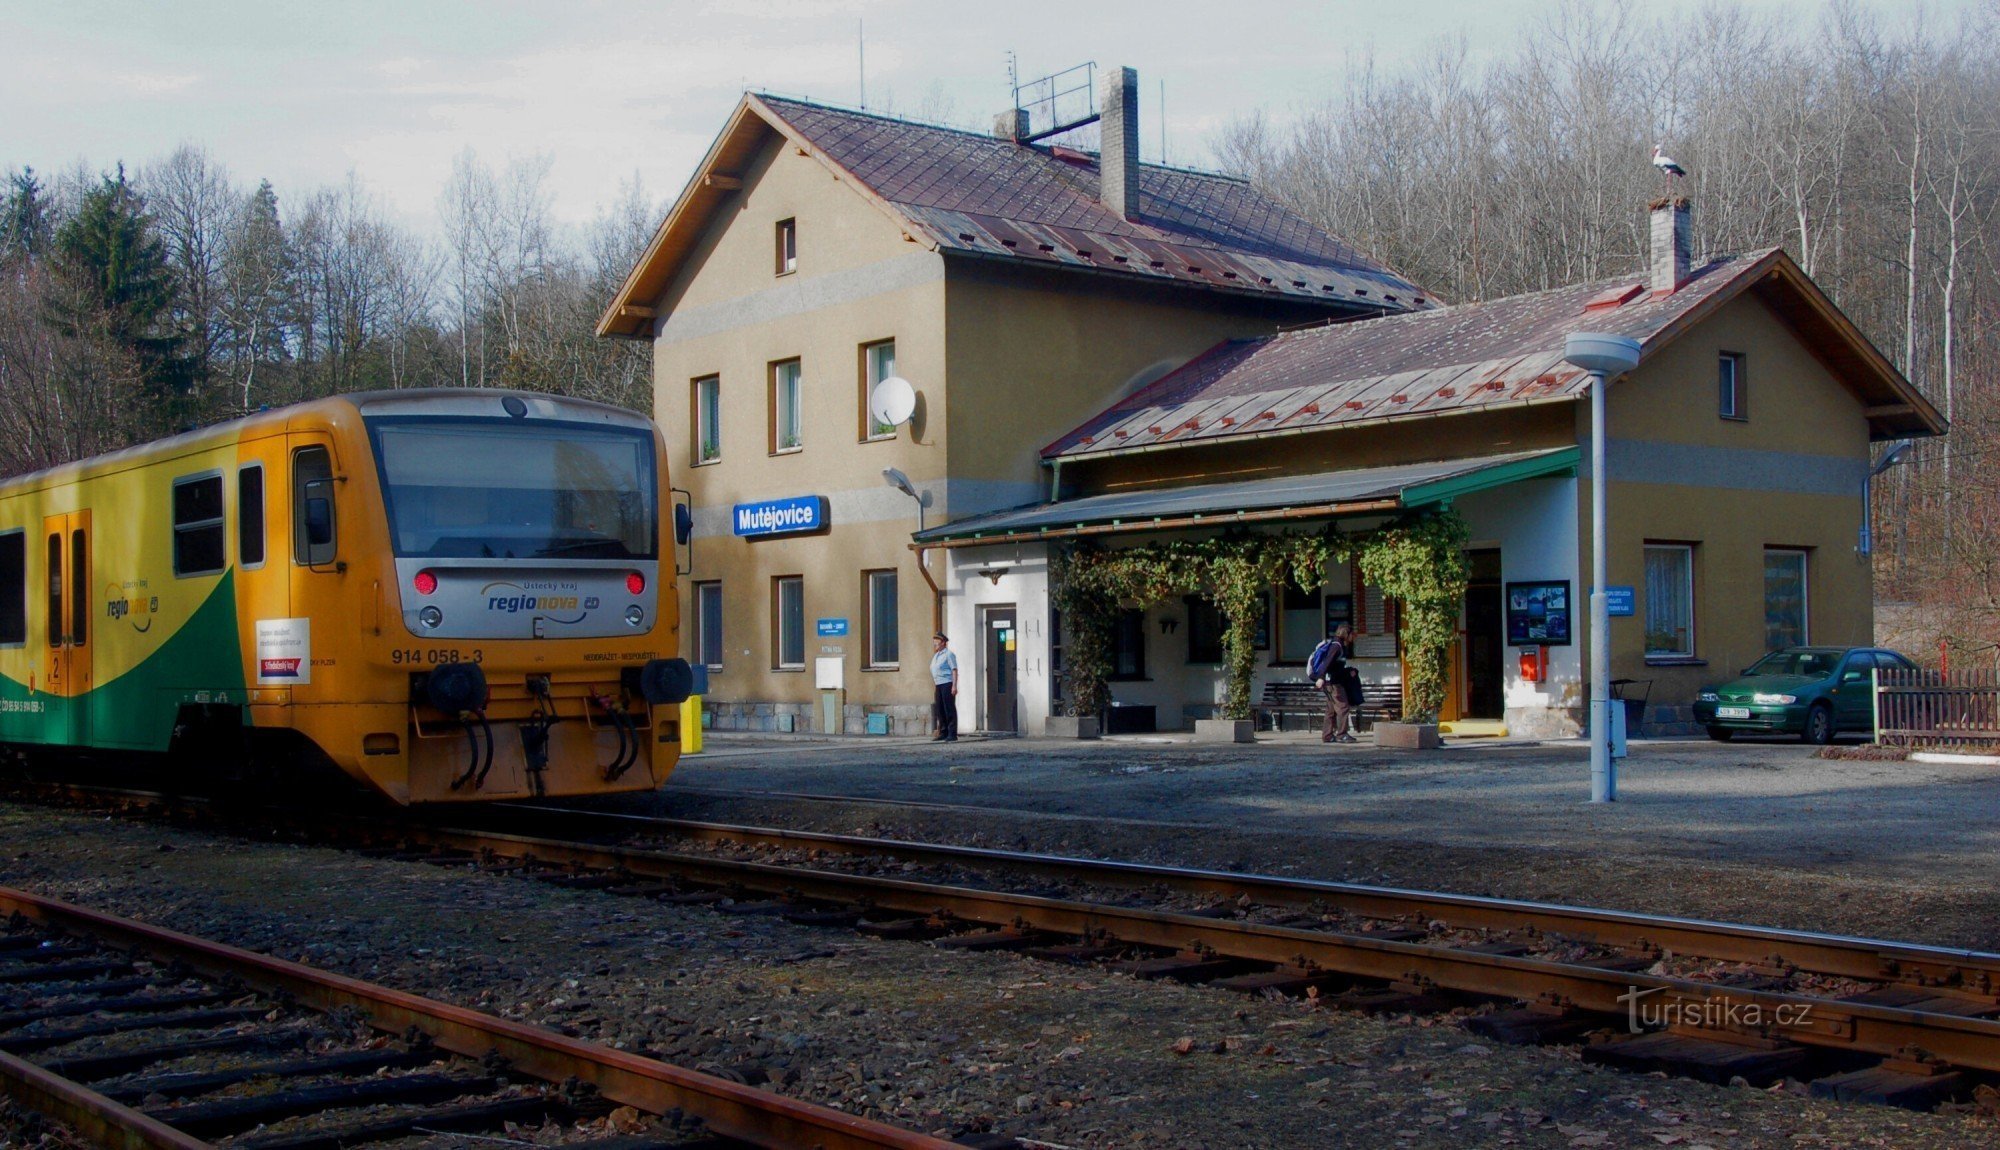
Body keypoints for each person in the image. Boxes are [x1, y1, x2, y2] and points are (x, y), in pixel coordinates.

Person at [1310, 623, 1357, 744]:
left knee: (1330, 710)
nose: (1354, 637)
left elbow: (1336, 666)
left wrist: (1348, 671)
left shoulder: (1338, 645)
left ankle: (1327, 735)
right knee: (1343, 707)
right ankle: (1342, 734)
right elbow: (1327, 663)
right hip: (1334, 683)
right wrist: (1320, 677)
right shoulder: (1337, 647)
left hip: (1331, 682)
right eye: (1352, 634)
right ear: (1346, 634)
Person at [929, 631, 959, 742]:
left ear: (943, 643)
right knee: (940, 709)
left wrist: (954, 686)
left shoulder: (948, 654)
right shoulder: (936, 655)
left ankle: (952, 733)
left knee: (949, 708)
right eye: (934, 642)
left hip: (947, 683)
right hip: (938, 684)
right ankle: (943, 731)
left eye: (937, 642)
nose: (935, 644)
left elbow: (954, 670)